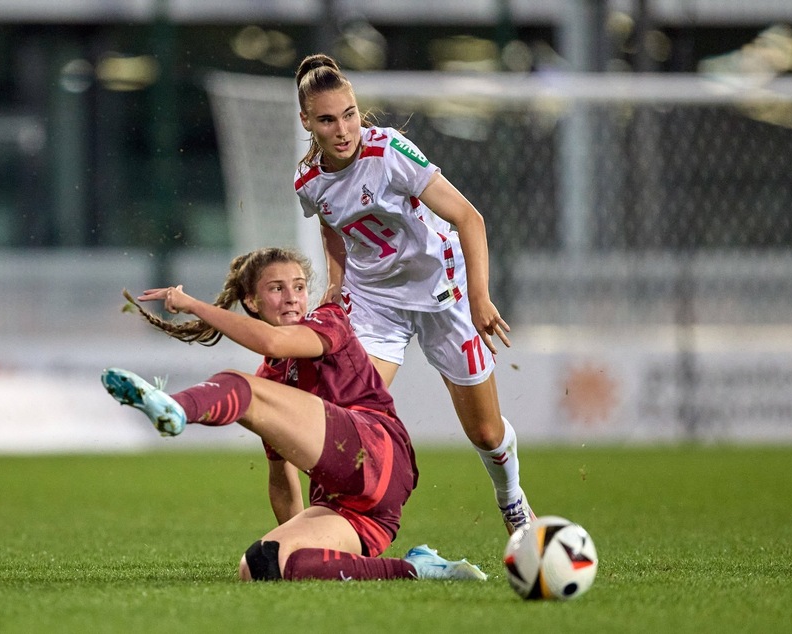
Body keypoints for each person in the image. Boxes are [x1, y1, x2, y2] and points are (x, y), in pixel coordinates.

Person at [101, 247, 486, 582]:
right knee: (261, 565)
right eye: (277, 288)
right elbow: (282, 477)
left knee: (239, 386)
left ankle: (175, 407)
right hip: (359, 509)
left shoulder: (329, 319)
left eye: (299, 287)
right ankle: (417, 569)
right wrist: (293, 537)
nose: (292, 297)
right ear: (251, 302)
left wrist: (193, 305)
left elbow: (271, 340)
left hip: (378, 453)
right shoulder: (270, 378)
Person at [293, 54, 535, 534]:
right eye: (327, 119)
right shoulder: (308, 183)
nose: (343, 129)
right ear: (307, 122)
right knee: (348, 413)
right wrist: (336, 288)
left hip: (442, 293)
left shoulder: (389, 153)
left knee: (486, 432)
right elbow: (333, 230)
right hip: (376, 304)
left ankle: (511, 499)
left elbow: (470, 218)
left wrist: (480, 297)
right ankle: (338, 517)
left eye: (350, 114)